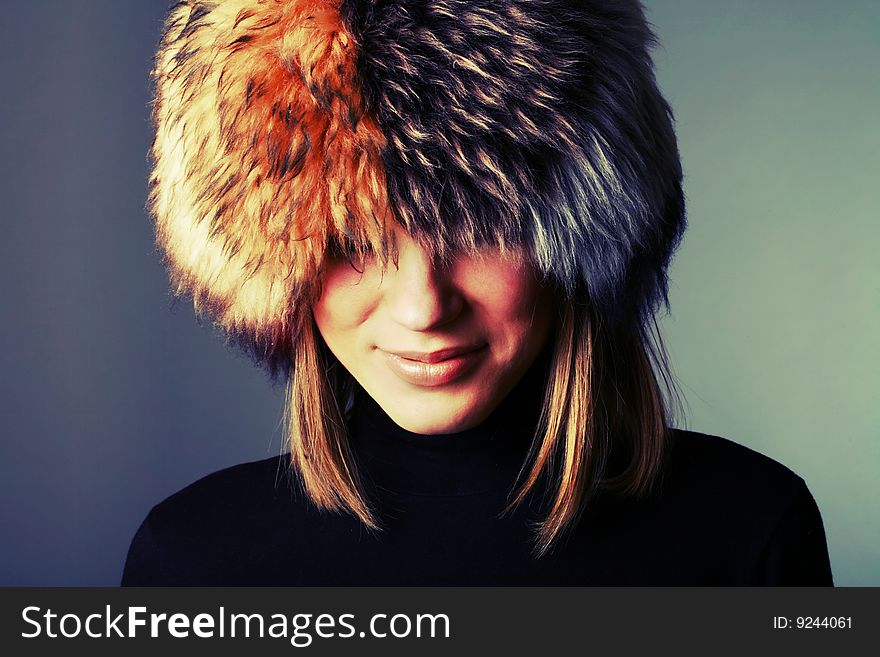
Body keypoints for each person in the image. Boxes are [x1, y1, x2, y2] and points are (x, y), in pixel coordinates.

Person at [122, 0, 833, 585]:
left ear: (582, 232)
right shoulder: (190, 560)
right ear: (278, 265)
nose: (423, 308)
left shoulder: (749, 531)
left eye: (478, 229)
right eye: (360, 244)